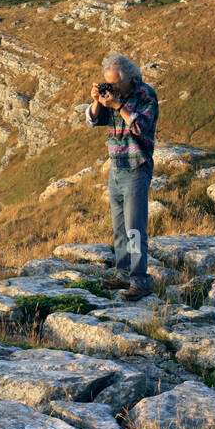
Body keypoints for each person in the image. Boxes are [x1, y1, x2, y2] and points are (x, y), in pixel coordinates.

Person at [85, 52, 158, 300]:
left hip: (137, 168)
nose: (111, 88)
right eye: (108, 83)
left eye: (115, 83)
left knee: (135, 229)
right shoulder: (112, 97)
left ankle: (140, 281)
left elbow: (139, 127)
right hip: (116, 168)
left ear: (129, 80)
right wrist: (97, 101)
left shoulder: (145, 95)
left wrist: (118, 105)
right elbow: (93, 121)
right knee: (119, 228)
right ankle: (123, 274)